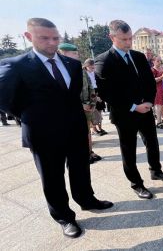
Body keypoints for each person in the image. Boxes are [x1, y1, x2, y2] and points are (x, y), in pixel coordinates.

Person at [0, 18, 113, 238]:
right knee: (52, 177)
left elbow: (72, 95)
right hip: (43, 133)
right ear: (29, 36)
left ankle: (86, 199)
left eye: (55, 38)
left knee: (81, 168)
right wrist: (29, 115)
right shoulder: (16, 65)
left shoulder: (71, 64)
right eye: (45, 38)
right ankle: (63, 216)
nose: (52, 43)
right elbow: (4, 99)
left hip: (75, 128)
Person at [95, 20, 163, 200]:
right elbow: (108, 93)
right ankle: (136, 183)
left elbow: (149, 82)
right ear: (112, 37)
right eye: (124, 39)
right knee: (129, 150)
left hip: (145, 109)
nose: (129, 43)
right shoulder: (104, 60)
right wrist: (133, 107)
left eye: (130, 38)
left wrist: (149, 102)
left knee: (152, 142)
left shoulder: (138, 57)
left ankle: (156, 170)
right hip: (125, 114)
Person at [151, 56, 163, 129]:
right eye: (157, 61)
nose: (159, 62)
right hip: (157, 89)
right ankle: (158, 122)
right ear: (153, 61)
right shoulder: (152, 70)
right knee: (158, 106)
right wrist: (161, 77)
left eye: (160, 60)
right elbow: (152, 80)